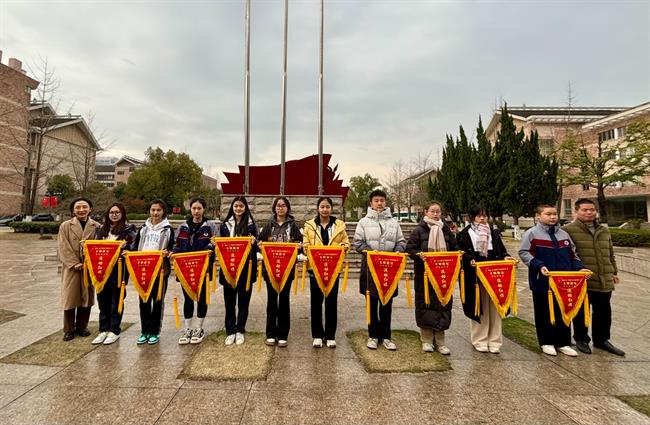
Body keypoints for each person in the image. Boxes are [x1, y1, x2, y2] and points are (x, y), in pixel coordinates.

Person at [519, 204, 589, 357]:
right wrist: (539, 265)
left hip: (563, 282)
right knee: (544, 312)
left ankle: (563, 342)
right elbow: (524, 253)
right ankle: (546, 342)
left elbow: (573, 255)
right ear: (538, 216)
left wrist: (579, 268)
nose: (552, 217)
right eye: (548, 214)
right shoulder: (531, 234)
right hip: (542, 281)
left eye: (554, 214)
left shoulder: (563, 234)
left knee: (564, 310)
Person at [563, 198, 625, 356]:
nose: (589, 213)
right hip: (583, 279)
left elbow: (610, 252)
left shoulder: (603, 230)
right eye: (584, 210)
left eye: (592, 210)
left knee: (604, 311)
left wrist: (614, 272)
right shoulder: (567, 230)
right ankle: (581, 339)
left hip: (604, 277)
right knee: (581, 311)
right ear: (576, 211)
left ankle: (602, 340)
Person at [353, 189, 406, 351]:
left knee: (386, 303)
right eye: (376, 200)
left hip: (389, 269)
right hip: (370, 268)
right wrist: (371, 252)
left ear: (385, 202)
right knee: (372, 302)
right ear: (371, 203)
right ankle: (373, 336)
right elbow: (358, 243)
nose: (379, 203)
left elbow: (401, 241)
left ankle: (386, 336)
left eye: (382, 200)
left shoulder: (394, 222)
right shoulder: (363, 222)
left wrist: (398, 250)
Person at [457, 205, 513, 354]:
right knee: (479, 307)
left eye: (484, 216)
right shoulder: (464, 234)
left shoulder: (493, 233)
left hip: (494, 275)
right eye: (479, 216)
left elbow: (502, 251)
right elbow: (460, 253)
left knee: (495, 308)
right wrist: (469, 259)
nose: (482, 218)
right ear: (472, 217)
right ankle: (480, 340)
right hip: (475, 276)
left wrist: (506, 257)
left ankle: (495, 341)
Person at [406, 201, 458, 355]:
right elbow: (410, 249)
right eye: (432, 211)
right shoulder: (419, 230)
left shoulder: (446, 230)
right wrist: (419, 255)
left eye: (438, 212)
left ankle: (440, 341)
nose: (436, 214)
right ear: (426, 212)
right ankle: (427, 340)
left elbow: (455, 248)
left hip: (443, 275)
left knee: (443, 305)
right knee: (425, 305)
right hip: (425, 276)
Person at [303, 197, 350, 349]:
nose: (324, 209)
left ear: (331, 209)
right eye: (322, 207)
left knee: (331, 302)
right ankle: (317, 335)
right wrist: (310, 250)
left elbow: (346, 244)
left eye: (327, 207)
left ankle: (330, 336)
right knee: (316, 302)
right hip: (315, 269)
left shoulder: (339, 226)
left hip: (333, 269)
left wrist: (342, 247)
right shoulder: (310, 226)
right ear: (318, 208)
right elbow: (305, 245)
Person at [258, 196, 302, 347]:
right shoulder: (268, 225)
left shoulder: (293, 226)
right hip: (270, 269)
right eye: (278, 205)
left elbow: (299, 242)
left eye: (283, 205)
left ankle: (283, 335)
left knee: (284, 301)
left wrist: (298, 246)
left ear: (287, 208)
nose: (280, 208)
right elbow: (260, 242)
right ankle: (270, 334)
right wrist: (260, 245)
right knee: (271, 301)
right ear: (274, 208)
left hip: (287, 270)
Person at [173, 196, 218, 345]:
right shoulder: (183, 227)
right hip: (185, 269)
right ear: (190, 209)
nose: (196, 211)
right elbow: (177, 245)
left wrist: (211, 246)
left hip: (203, 269)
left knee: (201, 298)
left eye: (199, 208)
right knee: (187, 299)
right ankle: (188, 329)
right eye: (194, 208)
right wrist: (174, 252)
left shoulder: (210, 226)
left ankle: (199, 328)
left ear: (204, 209)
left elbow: (216, 244)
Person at [91, 202, 136, 345]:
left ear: (122, 214)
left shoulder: (128, 231)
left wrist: (126, 247)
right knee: (102, 301)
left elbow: (133, 248)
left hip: (118, 271)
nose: (114, 215)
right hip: (101, 271)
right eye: (111, 212)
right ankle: (103, 329)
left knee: (116, 301)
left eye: (117, 212)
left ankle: (114, 330)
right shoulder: (101, 230)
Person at [58, 197, 101, 341]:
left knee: (86, 298)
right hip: (71, 268)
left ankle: (82, 327)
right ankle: (68, 329)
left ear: (90, 209)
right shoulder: (65, 226)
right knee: (70, 298)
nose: (81, 210)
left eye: (84, 207)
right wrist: (74, 263)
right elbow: (63, 246)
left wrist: (91, 262)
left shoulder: (96, 226)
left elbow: (100, 246)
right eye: (78, 207)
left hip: (89, 268)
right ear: (73, 210)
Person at [133, 199, 175, 345]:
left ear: (163, 212)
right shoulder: (143, 228)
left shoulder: (168, 229)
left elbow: (171, 247)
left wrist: (167, 252)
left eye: (158, 210)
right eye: (153, 210)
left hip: (160, 270)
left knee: (157, 301)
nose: (155, 213)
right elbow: (136, 247)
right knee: (144, 300)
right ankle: (144, 330)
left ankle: (154, 331)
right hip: (143, 269)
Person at [218, 196, 258, 346]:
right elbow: (220, 246)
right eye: (236, 206)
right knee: (229, 302)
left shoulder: (251, 225)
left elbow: (257, 247)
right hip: (228, 268)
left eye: (241, 206)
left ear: (245, 208)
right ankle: (230, 331)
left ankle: (240, 329)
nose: (238, 209)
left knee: (243, 301)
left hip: (245, 269)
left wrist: (254, 243)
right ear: (232, 207)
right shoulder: (224, 225)